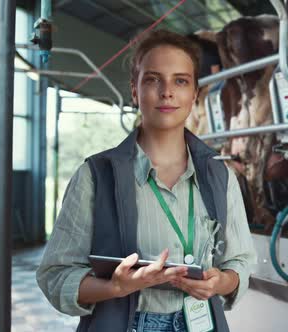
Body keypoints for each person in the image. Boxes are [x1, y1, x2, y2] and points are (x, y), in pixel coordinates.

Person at [37, 29, 257, 332]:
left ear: (194, 93)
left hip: (201, 323)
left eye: (180, 80)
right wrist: (115, 287)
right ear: (135, 90)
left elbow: (240, 261)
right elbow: (55, 275)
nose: (167, 91)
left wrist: (221, 283)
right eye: (153, 79)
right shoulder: (96, 175)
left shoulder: (220, 175)